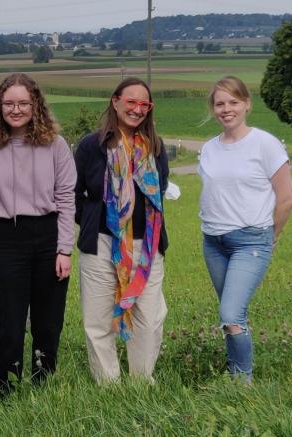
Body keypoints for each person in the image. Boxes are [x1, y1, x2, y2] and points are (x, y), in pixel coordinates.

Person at [0, 73, 76, 395]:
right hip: (8, 238)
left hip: (48, 235)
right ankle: (5, 385)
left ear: (35, 105)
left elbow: (66, 199)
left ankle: (43, 380)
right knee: (9, 323)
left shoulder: (56, 145)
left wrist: (64, 250)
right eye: (8, 104)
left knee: (48, 322)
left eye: (22, 103)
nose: (15, 110)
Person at [198, 76, 292, 383]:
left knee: (230, 315)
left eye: (233, 102)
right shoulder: (209, 148)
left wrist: (271, 236)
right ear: (213, 109)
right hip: (213, 242)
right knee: (232, 315)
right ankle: (235, 370)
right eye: (220, 103)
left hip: (250, 241)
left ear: (247, 105)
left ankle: (242, 384)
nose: (226, 109)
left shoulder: (264, 144)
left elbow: (287, 197)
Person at [74, 77, 170, 383]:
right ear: (115, 102)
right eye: (131, 102)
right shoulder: (92, 145)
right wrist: (92, 220)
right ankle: (108, 384)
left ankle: (142, 381)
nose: (137, 109)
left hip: (147, 247)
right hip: (102, 243)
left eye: (144, 104)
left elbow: (161, 189)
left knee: (150, 318)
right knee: (98, 319)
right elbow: (71, 192)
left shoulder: (155, 146)